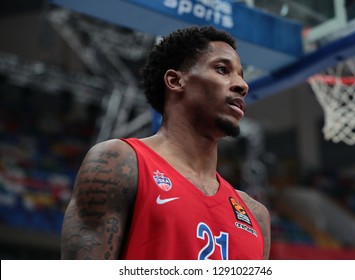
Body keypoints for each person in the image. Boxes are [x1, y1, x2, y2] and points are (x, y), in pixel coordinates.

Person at [61, 25, 271, 260]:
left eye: (241, 75)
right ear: (175, 80)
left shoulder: (255, 215)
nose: (242, 86)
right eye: (223, 70)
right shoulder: (119, 164)